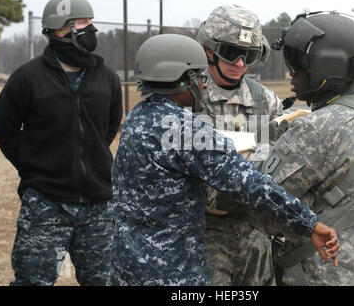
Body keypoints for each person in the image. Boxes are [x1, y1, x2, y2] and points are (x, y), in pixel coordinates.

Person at [110, 33, 340, 286]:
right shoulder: (183, 129)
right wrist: (309, 223)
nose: (205, 85)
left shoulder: (136, 118)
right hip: (171, 271)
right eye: (200, 77)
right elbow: (249, 184)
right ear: (183, 82)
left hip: (128, 264)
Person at [0, 0, 123, 286]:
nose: (91, 30)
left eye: (91, 23)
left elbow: (109, 127)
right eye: (82, 24)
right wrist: (35, 165)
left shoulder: (108, 78)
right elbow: (4, 127)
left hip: (98, 206)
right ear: (61, 30)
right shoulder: (27, 78)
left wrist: (91, 155)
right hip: (45, 205)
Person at [264, 11, 354, 285]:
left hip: (319, 271)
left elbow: (266, 199)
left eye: (299, 63)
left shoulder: (316, 128)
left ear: (327, 67)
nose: (292, 72)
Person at [195, 4, 287, 286]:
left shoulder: (266, 102)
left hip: (254, 235)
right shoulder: (190, 98)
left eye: (248, 55)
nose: (240, 64)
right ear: (208, 51)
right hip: (201, 235)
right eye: (231, 53)